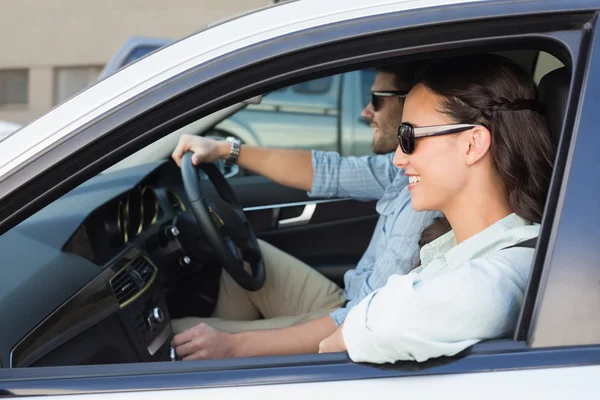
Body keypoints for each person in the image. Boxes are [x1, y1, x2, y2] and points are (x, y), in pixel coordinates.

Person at [170, 64, 439, 360]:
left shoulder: (425, 206)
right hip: (349, 301)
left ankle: (226, 360)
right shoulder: (402, 170)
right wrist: (225, 150)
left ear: (410, 108)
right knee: (245, 256)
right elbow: (330, 171)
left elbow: (359, 323)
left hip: (351, 322)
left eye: (376, 101)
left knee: (180, 333)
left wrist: (232, 345)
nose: (365, 112)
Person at [318, 54, 555, 364]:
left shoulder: (510, 270)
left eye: (409, 137)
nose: (398, 159)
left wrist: (349, 331)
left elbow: (379, 327)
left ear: (472, 144)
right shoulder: (457, 248)